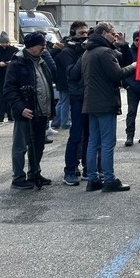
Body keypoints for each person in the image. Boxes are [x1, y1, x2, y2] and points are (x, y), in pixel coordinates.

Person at [82, 22, 136, 192]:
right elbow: (117, 74)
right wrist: (134, 67)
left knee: (93, 142)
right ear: (104, 33)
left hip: (91, 102)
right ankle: (109, 179)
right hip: (105, 102)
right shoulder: (105, 52)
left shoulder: (88, 52)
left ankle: (93, 178)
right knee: (107, 143)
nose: (115, 36)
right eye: (113, 34)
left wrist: (122, 45)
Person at [3, 31, 55, 189]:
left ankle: (34, 173)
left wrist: (50, 109)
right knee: (20, 147)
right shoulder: (18, 63)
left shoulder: (42, 61)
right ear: (32, 47)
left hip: (41, 111)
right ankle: (18, 177)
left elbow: (47, 83)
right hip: (26, 111)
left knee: (38, 145)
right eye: (42, 45)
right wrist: (21, 108)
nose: (44, 48)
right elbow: (9, 90)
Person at [58, 21, 89, 186]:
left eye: (86, 33)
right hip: (77, 95)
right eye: (81, 33)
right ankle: (70, 170)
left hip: (90, 95)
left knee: (89, 135)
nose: (84, 36)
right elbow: (72, 73)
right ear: (73, 33)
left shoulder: (86, 49)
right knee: (76, 134)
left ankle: (87, 167)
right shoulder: (67, 52)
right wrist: (83, 53)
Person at [122, 31, 140, 146]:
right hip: (132, 87)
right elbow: (123, 67)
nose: (138, 42)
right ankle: (129, 136)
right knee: (131, 112)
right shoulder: (129, 52)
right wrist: (126, 84)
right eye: (136, 40)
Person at [0, 31, 19, 123]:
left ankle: (11, 116)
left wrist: (11, 63)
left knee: (11, 97)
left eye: (6, 42)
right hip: (0, 77)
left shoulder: (14, 50)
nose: (4, 44)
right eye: (2, 43)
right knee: (1, 98)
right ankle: (0, 116)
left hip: (11, 77)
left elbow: (19, 61)